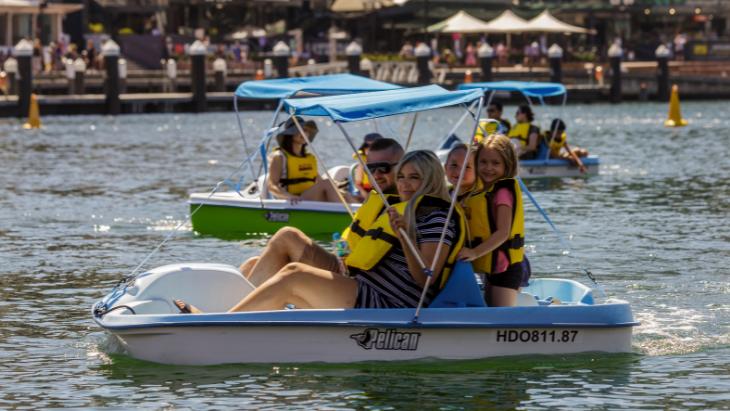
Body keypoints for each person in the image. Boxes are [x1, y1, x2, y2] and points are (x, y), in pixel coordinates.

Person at [175, 150, 465, 313]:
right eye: (401, 177)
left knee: (294, 274)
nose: (404, 184)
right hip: (364, 286)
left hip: (392, 304)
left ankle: (221, 323)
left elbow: (426, 277)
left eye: (414, 178)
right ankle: (224, 314)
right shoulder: (403, 208)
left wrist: (403, 235)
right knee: (260, 264)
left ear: (430, 180)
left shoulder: (437, 217)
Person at [237, 138, 405, 289]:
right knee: (253, 263)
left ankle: (234, 317)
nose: (376, 175)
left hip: (352, 278)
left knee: (287, 236)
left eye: (384, 168)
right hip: (342, 262)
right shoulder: (377, 199)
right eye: (370, 169)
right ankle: (224, 311)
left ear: (403, 167)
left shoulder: (405, 208)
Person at [457, 134, 525, 307]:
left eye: (496, 163)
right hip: (493, 268)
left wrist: (474, 253)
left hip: (508, 270)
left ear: (507, 165)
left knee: (501, 318)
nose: (488, 168)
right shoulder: (480, 192)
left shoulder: (502, 192)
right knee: (488, 311)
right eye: (483, 162)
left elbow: (503, 232)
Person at [267, 116, 360, 205]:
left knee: (345, 196)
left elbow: (319, 181)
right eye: (301, 130)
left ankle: (363, 217)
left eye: (306, 130)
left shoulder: (308, 157)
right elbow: (271, 186)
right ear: (290, 133)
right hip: (294, 200)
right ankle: (345, 217)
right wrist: (289, 196)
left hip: (308, 198)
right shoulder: (279, 157)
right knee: (327, 183)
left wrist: (338, 192)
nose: (305, 133)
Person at [352, 133, 382, 198]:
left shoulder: (388, 162)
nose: (368, 148)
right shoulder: (362, 165)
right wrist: (364, 193)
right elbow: (358, 184)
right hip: (367, 195)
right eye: (366, 145)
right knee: (347, 197)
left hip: (383, 195)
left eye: (372, 145)